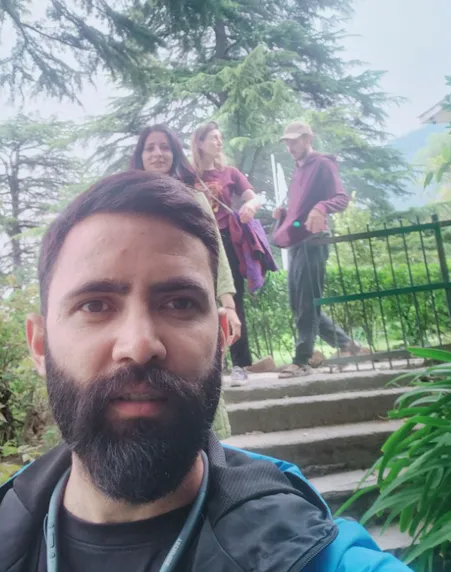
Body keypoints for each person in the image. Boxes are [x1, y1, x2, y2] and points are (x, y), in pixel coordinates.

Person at [0, 170, 417, 572]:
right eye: (96, 305)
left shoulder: (317, 557)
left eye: (180, 303)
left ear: (224, 335)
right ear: (39, 344)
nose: (140, 345)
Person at [130, 125, 239, 438]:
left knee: (199, 370)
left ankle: (212, 449)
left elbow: (215, 251)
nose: (157, 154)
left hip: (187, 303)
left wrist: (227, 303)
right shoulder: (131, 202)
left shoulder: (194, 199)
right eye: (150, 148)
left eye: (164, 147)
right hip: (147, 304)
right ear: (140, 155)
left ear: (175, 154)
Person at [273, 121, 367, 379]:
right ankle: (348, 345)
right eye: (287, 142)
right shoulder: (298, 170)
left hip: (315, 242)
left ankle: (301, 360)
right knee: (299, 303)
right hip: (296, 241)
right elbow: (298, 213)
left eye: (294, 141)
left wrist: (321, 208)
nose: (290, 147)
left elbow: (341, 198)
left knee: (306, 303)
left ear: (307, 138)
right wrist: (284, 216)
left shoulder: (323, 164)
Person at [190, 122, 277, 378]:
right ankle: (205, 364)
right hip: (197, 241)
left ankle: (240, 363)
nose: (219, 142)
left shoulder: (230, 173)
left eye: (221, 138)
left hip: (227, 239)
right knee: (199, 298)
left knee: (233, 299)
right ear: (199, 143)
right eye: (213, 138)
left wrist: (250, 207)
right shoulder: (188, 175)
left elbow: (255, 197)